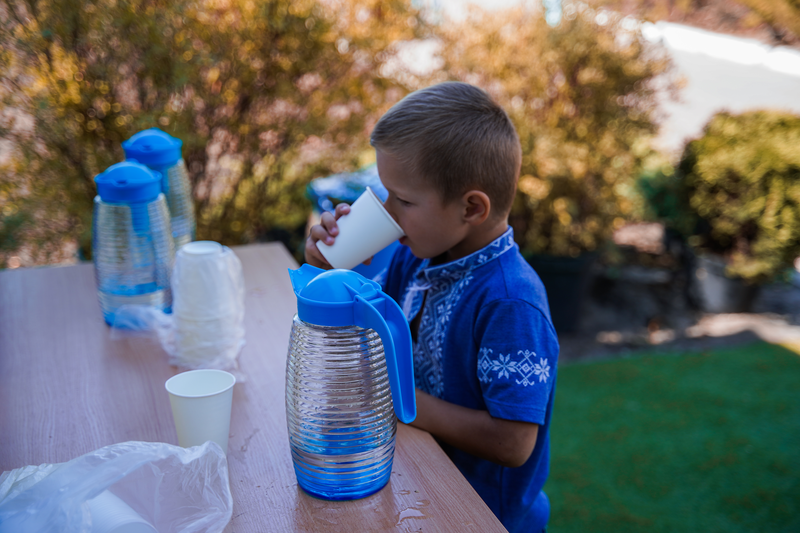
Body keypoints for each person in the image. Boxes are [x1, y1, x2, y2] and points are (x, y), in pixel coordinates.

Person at [304, 81, 559, 533]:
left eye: (402, 199)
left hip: (483, 516)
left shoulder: (511, 303)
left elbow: (514, 441)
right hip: (417, 491)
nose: (387, 211)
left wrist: (401, 401)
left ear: (471, 208)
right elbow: (360, 327)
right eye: (384, 193)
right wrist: (327, 264)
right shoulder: (415, 254)